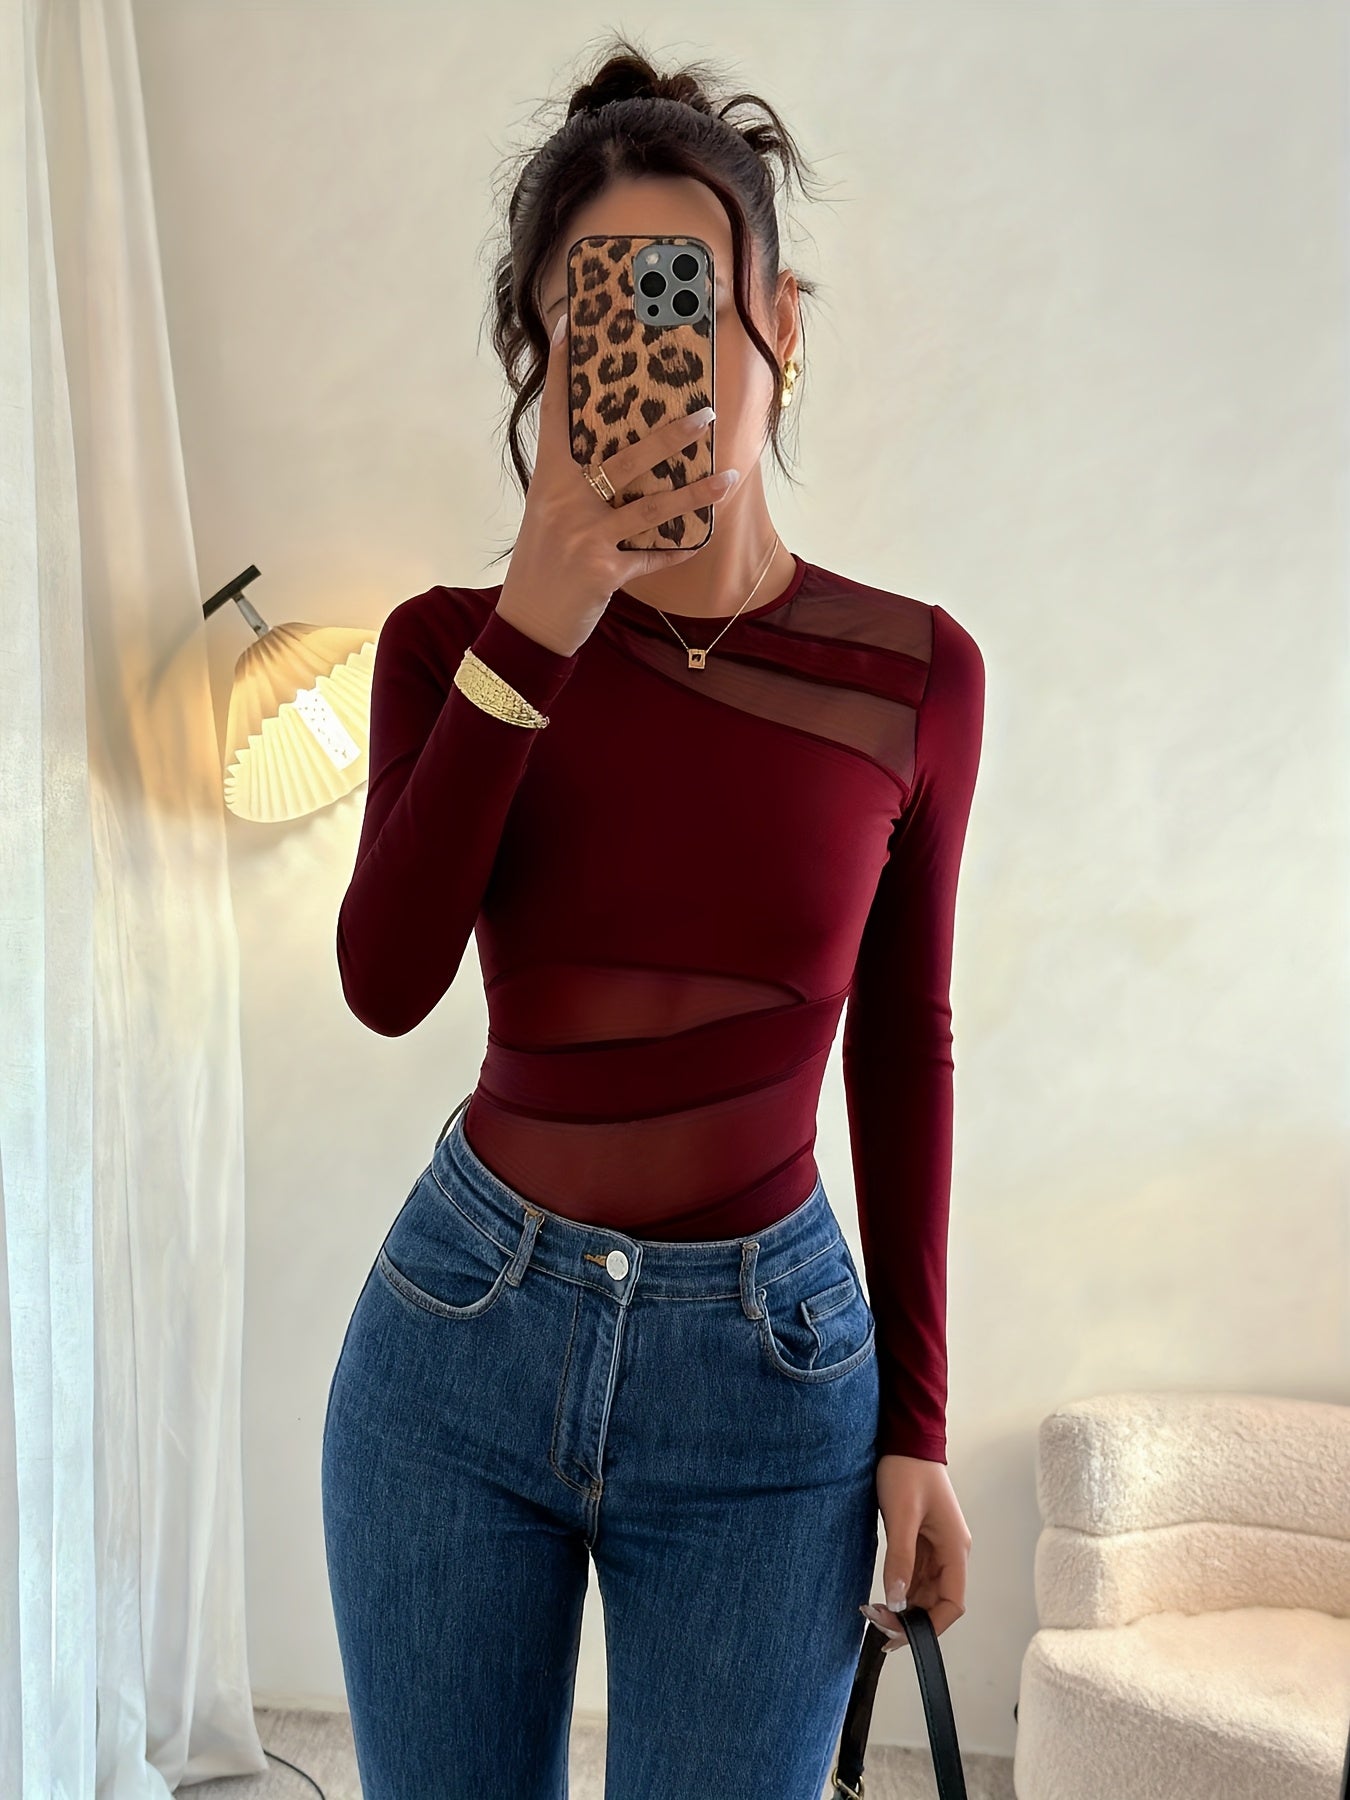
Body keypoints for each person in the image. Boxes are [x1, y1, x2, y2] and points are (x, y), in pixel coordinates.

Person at [322, 34, 982, 1800]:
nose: (648, 354)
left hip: (769, 1385)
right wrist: (534, 629)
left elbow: (902, 1050)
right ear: (545, 362)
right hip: (455, 1349)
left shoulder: (913, 675)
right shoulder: (446, 647)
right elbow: (386, 983)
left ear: (782, 324)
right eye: (589, 315)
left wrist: (918, 1423)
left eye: (686, 296)